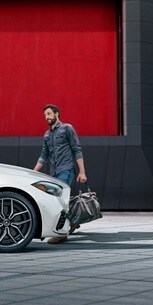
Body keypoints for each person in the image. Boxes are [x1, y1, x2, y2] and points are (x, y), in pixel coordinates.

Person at [32, 104, 87, 244]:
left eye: (49, 113)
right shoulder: (47, 135)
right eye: (45, 115)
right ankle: (73, 220)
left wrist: (82, 172)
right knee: (61, 200)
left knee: (58, 201)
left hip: (66, 169)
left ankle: (61, 233)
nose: (46, 117)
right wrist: (33, 172)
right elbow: (44, 155)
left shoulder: (67, 128)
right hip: (54, 173)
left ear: (56, 114)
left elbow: (77, 149)